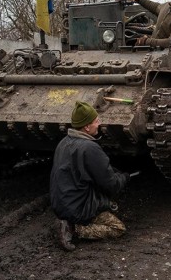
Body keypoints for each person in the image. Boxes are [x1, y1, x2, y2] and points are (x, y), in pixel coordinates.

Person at [50, 101, 130, 251]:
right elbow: (111, 185)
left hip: (62, 203)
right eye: (96, 121)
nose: (99, 124)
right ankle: (74, 229)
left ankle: (68, 221)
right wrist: (124, 177)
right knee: (118, 228)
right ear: (87, 127)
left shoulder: (64, 142)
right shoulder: (90, 147)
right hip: (77, 209)